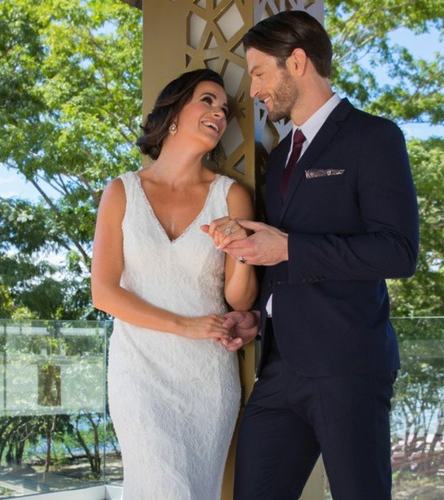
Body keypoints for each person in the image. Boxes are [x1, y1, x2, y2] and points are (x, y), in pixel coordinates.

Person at [211, 10, 419, 499]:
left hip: (348, 366)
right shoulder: (281, 157)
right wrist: (260, 318)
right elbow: (286, 269)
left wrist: (288, 247)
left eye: (260, 72)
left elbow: (398, 252)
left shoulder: (375, 137)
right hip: (279, 369)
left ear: (297, 61)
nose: (255, 89)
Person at [90, 68, 258, 499]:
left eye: (224, 109)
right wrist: (184, 325)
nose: (219, 113)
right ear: (174, 113)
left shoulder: (231, 196)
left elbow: (237, 298)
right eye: (207, 101)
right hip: (139, 373)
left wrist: (242, 250)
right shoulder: (121, 192)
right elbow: (104, 292)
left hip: (207, 378)